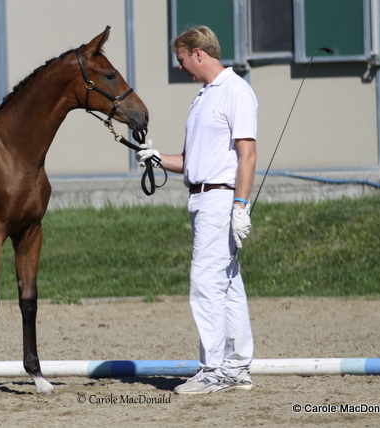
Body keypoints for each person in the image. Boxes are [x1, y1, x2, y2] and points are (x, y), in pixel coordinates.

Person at [137, 26, 257, 394]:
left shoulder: (235, 91)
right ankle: (236, 366)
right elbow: (192, 161)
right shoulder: (203, 97)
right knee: (228, 285)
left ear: (198, 53)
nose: (182, 68)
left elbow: (247, 153)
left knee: (205, 284)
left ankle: (213, 370)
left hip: (221, 200)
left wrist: (240, 205)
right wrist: (157, 158)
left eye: (182, 60)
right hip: (200, 197)